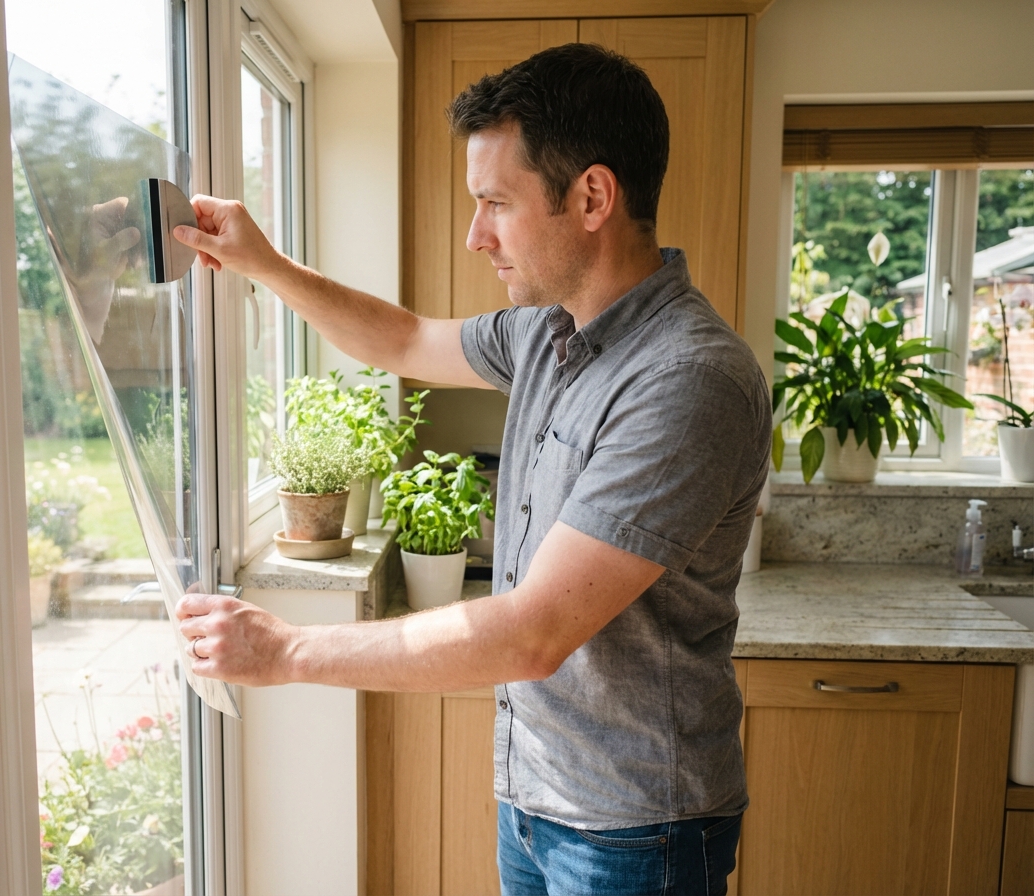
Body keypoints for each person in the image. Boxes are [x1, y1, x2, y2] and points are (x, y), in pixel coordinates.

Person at [172, 43, 771, 896]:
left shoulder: (686, 380)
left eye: (495, 202)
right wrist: (261, 263)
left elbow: (531, 634)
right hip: (535, 795)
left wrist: (286, 649)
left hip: (637, 833)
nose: (474, 233)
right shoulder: (548, 334)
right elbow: (405, 339)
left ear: (592, 196)